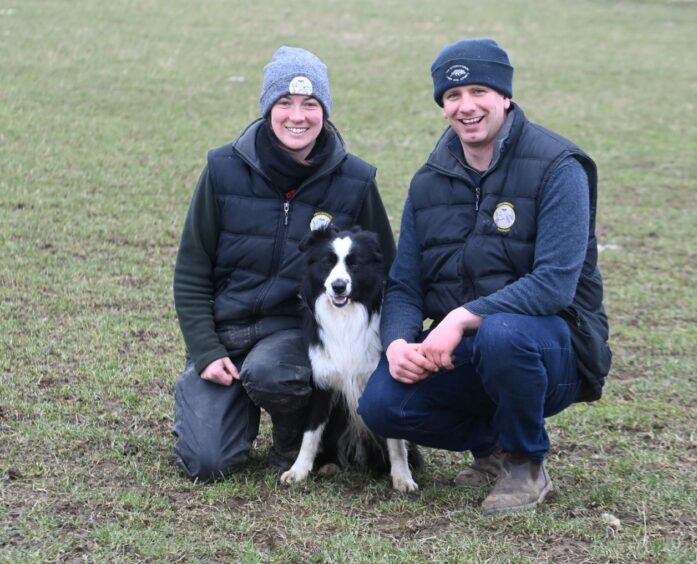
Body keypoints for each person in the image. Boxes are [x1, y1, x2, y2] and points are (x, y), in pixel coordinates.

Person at [358, 38, 611, 515]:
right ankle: (495, 445)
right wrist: (396, 345)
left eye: (479, 91)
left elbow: (555, 284)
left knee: (502, 332)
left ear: (504, 96)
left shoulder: (559, 166)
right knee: (381, 407)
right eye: (452, 96)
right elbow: (407, 284)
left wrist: (460, 318)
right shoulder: (428, 181)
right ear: (442, 107)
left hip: (554, 348)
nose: (466, 106)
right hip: (469, 349)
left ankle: (526, 464)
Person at [172, 46, 396, 481]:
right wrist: (205, 350)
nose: (298, 116)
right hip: (226, 332)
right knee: (207, 463)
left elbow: (390, 270)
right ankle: (218, 410)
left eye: (310, 105)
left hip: (292, 335)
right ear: (267, 109)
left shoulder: (355, 180)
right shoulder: (222, 169)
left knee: (277, 372)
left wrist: (396, 347)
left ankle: (292, 443)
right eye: (285, 103)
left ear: (325, 112)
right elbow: (191, 271)